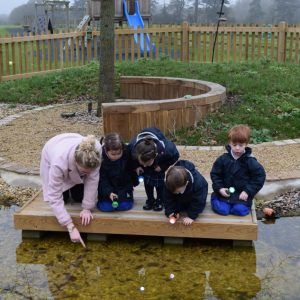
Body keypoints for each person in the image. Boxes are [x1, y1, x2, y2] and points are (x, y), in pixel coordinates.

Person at [40, 133, 102, 247]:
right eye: (84, 171)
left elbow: (92, 180)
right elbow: (54, 197)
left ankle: (77, 185)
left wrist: (87, 208)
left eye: (89, 171)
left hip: (73, 144)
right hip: (53, 148)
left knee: (78, 197)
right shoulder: (58, 162)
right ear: (75, 161)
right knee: (62, 198)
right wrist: (70, 226)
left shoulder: (96, 151)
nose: (87, 174)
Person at [210, 125, 266, 217]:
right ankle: (215, 198)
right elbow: (215, 174)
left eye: (241, 145)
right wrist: (219, 188)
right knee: (223, 210)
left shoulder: (250, 161)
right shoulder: (223, 159)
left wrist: (247, 191)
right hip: (225, 193)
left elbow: (259, 177)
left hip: (241, 195)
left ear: (246, 144)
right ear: (229, 143)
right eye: (234, 145)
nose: (237, 148)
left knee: (239, 211)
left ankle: (237, 205)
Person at [128, 127, 179, 211]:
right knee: (147, 183)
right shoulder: (132, 148)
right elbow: (129, 159)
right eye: (142, 163)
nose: (144, 165)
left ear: (154, 156)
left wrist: (163, 166)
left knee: (159, 185)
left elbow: (175, 156)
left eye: (147, 163)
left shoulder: (167, 149)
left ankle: (160, 200)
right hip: (147, 168)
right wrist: (136, 166)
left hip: (158, 166)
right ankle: (150, 199)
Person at [97, 133, 137, 212]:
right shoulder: (101, 159)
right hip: (107, 189)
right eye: (113, 154)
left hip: (123, 187)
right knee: (106, 208)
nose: (116, 156)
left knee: (123, 206)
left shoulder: (127, 154)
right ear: (106, 150)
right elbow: (102, 180)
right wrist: (109, 192)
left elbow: (129, 176)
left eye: (119, 153)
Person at [164, 160, 208, 226]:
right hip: (183, 197)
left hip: (196, 197)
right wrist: (170, 211)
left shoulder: (198, 184)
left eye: (178, 191)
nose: (176, 193)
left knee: (195, 206)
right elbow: (167, 197)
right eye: (174, 192)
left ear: (186, 183)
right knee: (177, 206)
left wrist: (191, 216)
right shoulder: (169, 182)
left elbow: (198, 201)